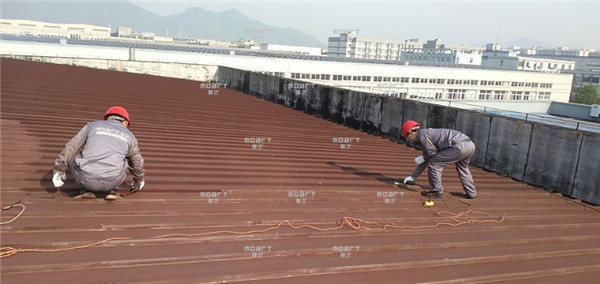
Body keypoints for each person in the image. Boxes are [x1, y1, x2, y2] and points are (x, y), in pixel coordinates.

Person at [52, 106, 145, 200]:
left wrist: (59, 170)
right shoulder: (130, 136)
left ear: (107, 118)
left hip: (86, 180)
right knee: (126, 157)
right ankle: (112, 190)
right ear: (125, 122)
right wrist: (138, 181)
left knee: (74, 153)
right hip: (114, 181)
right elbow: (137, 162)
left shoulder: (92, 126)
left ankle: (86, 190)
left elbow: (70, 147)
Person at [394, 120, 477, 199]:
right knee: (463, 168)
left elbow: (431, 154)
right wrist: (412, 177)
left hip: (459, 146)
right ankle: (472, 193)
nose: (408, 139)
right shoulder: (425, 134)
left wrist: (423, 157)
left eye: (407, 136)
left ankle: (436, 191)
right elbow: (427, 157)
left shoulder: (422, 136)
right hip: (470, 145)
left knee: (434, 164)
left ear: (411, 132)